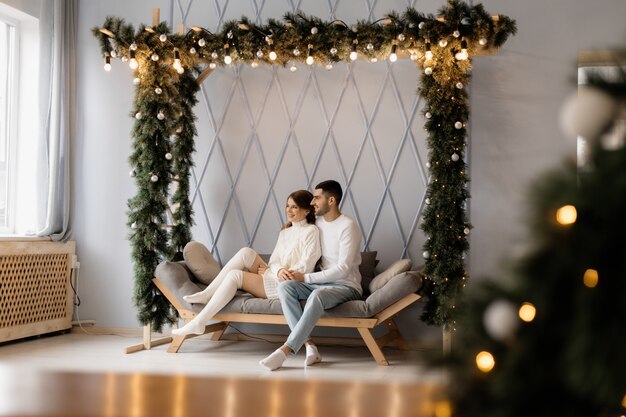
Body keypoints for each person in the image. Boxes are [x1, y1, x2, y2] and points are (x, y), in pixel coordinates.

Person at [172, 190, 321, 337]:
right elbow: (274, 261)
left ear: (307, 210)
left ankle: (200, 321)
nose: (289, 210)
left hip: (288, 284)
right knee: (246, 252)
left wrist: (277, 272)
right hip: (275, 275)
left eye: (294, 207)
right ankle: (206, 294)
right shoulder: (285, 232)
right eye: (287, 206)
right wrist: (276, 270)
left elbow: (306, 265)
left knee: (235, 276)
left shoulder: (311, 231)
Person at [259, 180, 362, 370]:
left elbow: (344, 268)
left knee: (317, 295)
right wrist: (278, 269)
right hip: (321, 283)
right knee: (285, 287)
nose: (312, 202)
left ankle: (286, 350)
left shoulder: (348, 226)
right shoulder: (318, 224)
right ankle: (310, 345)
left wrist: (305, 277)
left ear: (331, 200)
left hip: (345, 286)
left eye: (316, 197)